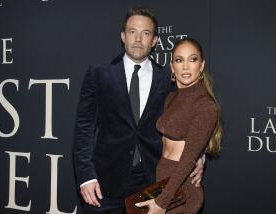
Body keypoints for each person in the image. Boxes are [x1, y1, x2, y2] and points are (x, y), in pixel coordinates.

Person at [73, 7, 204, 214]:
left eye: (146, 33)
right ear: (123, 36)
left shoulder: (168, 80)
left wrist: (199, 154)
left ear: (154, 41)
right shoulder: (99, 74)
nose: (138, 39)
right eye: (132, 32)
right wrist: (86, 176)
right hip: (103, 183)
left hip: (151, 182)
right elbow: (84, 130)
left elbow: (188, 121)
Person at [135, 38, 223, 213]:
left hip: (181, 192)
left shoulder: (206, 105)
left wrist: (162, 202)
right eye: (179, 60)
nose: (185, 66)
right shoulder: (171, 98)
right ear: (172, 66)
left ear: (202, 65)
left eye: (193, 59)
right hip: (164, 185)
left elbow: (188, 156)